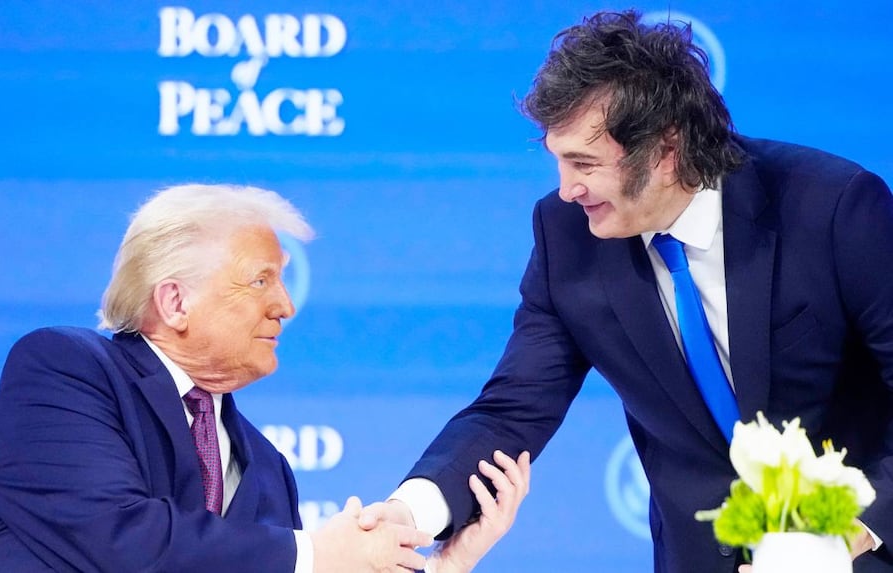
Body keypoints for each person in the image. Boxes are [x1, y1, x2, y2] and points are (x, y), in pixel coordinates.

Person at [359, 10, 893, 573]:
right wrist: (410, 513)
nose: (566, 190)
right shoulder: (567, 237)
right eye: (558, 160)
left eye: (583, 163)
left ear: (666, 150)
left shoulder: (833, 209)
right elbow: (513, 409)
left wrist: (842, 534)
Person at [0, 184, 527, 572]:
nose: (285, 306)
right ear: (175, 301)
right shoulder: (65, 370)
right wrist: (317, 554)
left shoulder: (268, 470)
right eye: (261, 280)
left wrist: (441, 566)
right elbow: (119, 538)